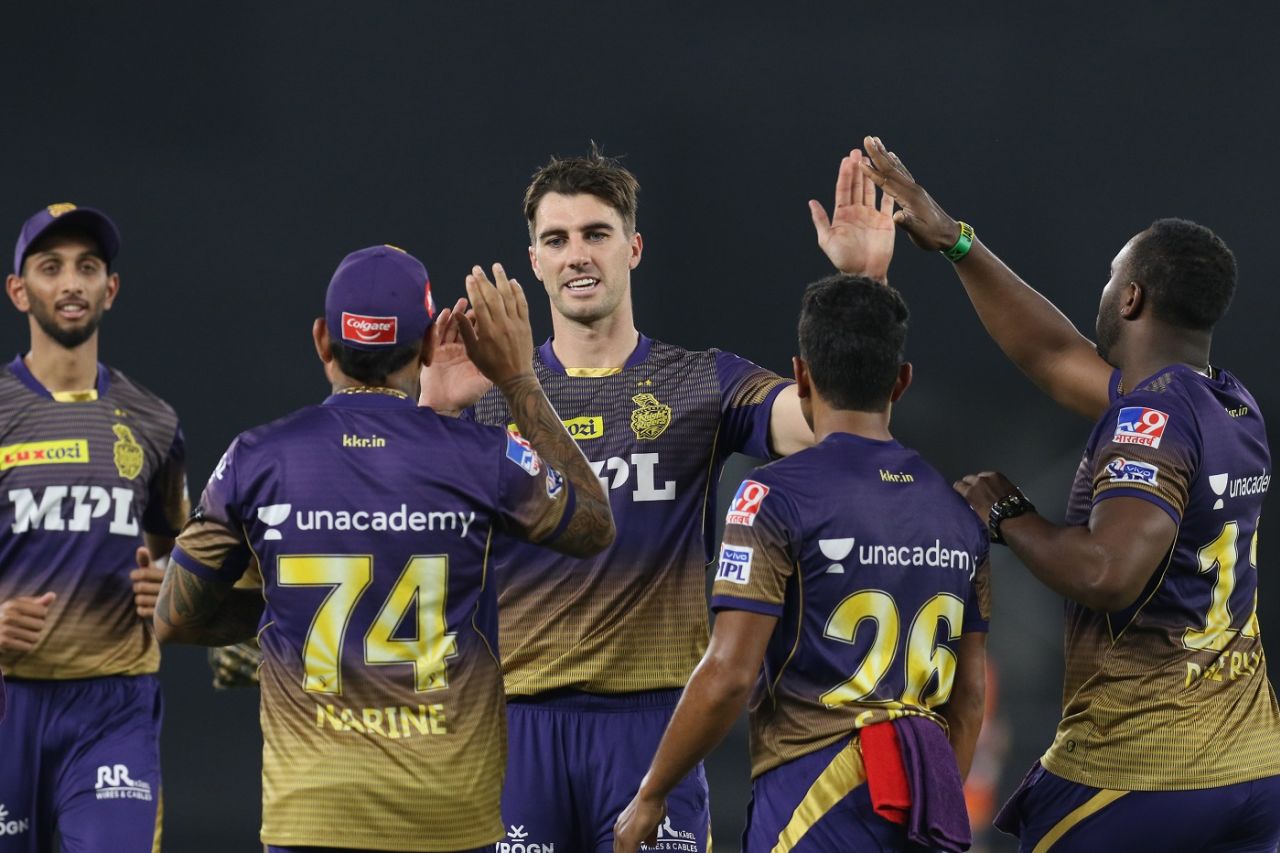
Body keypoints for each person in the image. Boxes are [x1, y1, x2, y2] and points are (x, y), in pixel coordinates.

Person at [420, 146, 895, 852]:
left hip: (655, 727)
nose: (577, 254)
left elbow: (832, 424)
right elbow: (403, 537)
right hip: (517, 726)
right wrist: (434, 412)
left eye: (596, 234)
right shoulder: (490, 400)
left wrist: (864, 285)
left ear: (633, 247)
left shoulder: (701, 383)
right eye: (557, 239)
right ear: (535, 261)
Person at [860, 136, 1280, 850]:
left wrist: (1008, 511)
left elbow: (1105, 573)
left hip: (1145, 773)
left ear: (1132, 296)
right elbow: (1052, 356)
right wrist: (957, 241)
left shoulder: (1150, 419)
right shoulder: (1228, 405)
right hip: (1253, 767)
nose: (1105, 285)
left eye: (1113, 274)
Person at [151, 245, 614, 852]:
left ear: (323, 341)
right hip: (445, 815)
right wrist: (517, 379)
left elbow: (175, 618)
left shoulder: (255, 459)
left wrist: (281, 612)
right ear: (426, 347)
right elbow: (594, 523)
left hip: (313, 812)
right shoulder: (480, 456)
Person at [613, 276, 990, 853]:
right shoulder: (959, 515)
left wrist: (652, 793)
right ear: (902, 381)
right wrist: (937, 806)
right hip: (920, 807)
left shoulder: (773, 496)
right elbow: (969, 697)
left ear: (801, 376)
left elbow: (729, 674)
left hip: (809, 805)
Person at [0, 203, 188, 852]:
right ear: (19, 290)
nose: (71, 282)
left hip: (114, 707)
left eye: (88, 266)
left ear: (111, 288)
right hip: (7, 700)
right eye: (51, 267)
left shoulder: (154, 421)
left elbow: (177, 555)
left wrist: (167, 584)